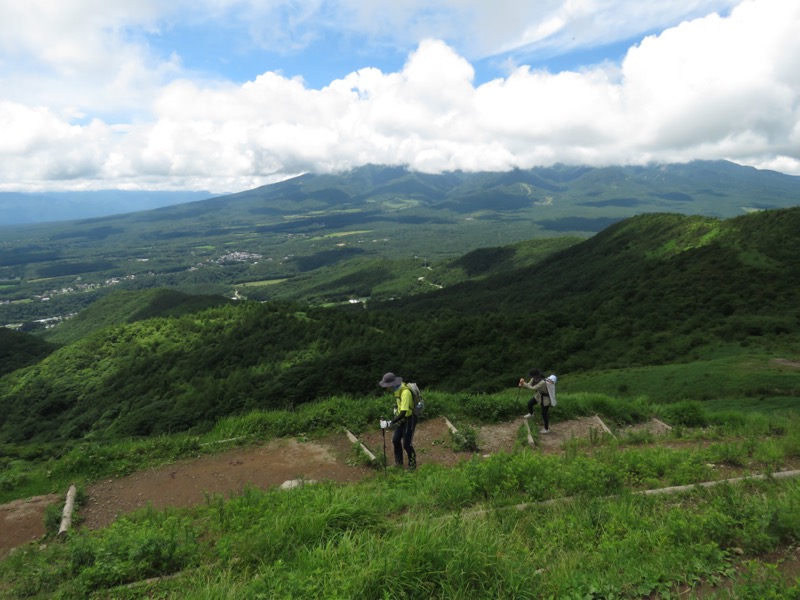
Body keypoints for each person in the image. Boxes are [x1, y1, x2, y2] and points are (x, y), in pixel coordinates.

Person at [378, 372, 417, 470]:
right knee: (395, 440)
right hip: (401, 418)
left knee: (407, 444)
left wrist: (389, 423)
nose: (386, 388)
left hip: (409, 418)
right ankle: (398, 462)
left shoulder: (405, 392)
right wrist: (396, 408)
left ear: (391, 384)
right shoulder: (397, 389)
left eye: (387, 385)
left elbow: (404, 412)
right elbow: (400, 404)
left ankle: (412, 465)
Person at [519, 369, 556, 433]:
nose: (531, 377)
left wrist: (523, 383)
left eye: (532, 376)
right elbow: (529, 384)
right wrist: (522, 384)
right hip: (539, 395)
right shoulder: (534, 379)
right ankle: (531, 414)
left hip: (546, 398)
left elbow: (533, 388)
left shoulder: (542, 382)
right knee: (530, 403)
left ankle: (546, 429)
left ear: (536, 375)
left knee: (544, 413)